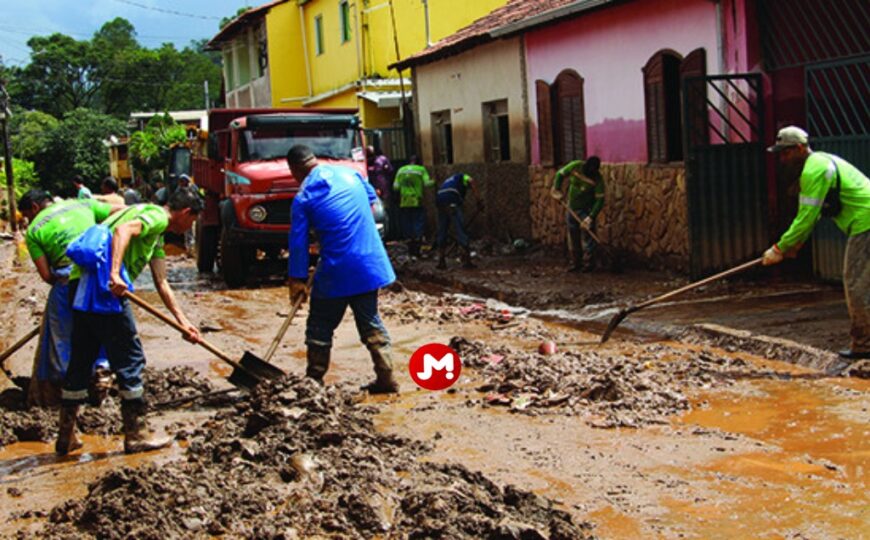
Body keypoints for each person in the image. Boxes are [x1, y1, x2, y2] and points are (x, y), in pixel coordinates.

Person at [56, 187, 204, 456]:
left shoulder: (154, 232)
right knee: (130, 358)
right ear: (185, 213)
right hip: (104, 288)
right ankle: (136, 434)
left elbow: (161, 281)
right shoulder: (156, 217)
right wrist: (114, 273)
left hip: (80, 285)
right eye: (193, 220)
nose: (190, 226)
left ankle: (65, 435)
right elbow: (123, 231)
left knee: (81, 358)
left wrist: (183, 322)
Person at [286, 144, 399, 394]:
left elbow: (298, 243)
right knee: (370, 320)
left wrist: (297, 280)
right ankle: (386, 377)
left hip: (337, 268)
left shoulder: (303, 197)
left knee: (320, 323)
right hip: (369, 264)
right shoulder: (351, 174)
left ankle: (314, 380)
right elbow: (372, 202)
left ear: (294, 170)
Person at [763, 126, 870, 365]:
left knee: (855, 282)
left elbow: (806, 217)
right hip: (865, 220)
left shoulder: (814, 171)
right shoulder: (819, 163)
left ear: (800, 148)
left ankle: (864, 345)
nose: (783, 159)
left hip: (866, 222)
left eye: (786, 153)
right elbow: (816, 213)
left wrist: (779, 248)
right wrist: (796, 244)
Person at [18, 190, 122, 407]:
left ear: (34, 208)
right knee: (104, 326)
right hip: (100, 278)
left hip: (66, 282)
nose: (29, 220)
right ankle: (103, 374)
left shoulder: (34, 230)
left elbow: (46, 276)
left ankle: (69, 386)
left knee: (61, 334)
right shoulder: (82, 204)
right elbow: (121, 211)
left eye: (27, 215)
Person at [551, 156, 604, 272]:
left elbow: (600, 200)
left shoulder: (597, 180)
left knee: (589, 236)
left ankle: (589, 263)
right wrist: (557, 189)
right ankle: (576, 262)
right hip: (572, 208)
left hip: (586, 211)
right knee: (573, 234)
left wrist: (590, 217)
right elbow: (560, 174)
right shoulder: (575, 166)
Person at [435, 172, 483, 270]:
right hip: (451, 199)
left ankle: (441, 260)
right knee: (460, 228)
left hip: (439, 199)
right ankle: (467, 261)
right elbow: (472, 181)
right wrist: (479, 201)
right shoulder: (463, 177)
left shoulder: (450, 181)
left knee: (442, 229)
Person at [393, 155, 433, 258]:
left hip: (404, 202)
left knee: (407, 225)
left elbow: (395, 187)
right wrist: (435, 181)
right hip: (416, 201)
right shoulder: (421, 169)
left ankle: (410, 251)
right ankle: (417, 250)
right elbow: (427, 184)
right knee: (418, 223)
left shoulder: (401, 170)